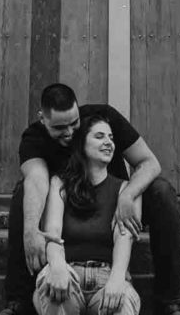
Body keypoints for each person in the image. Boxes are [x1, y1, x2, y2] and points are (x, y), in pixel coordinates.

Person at [0, 83, 180, 315]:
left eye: (74, 123)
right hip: (67, 208)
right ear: (42, 119)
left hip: (116, 205)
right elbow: (36, 179)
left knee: (162, 191)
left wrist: (127, 195)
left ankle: (170, 301)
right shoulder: (34, 138)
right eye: (59, 127)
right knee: (23, 192)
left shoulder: (102, 119)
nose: (70, 132)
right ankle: (18, 301)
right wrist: (31, 232)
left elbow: (150, 163)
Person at [34, 114, 141, 315]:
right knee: (52, 290)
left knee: (123, 302)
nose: (108, 142)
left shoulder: (126, 190)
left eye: (111, 138)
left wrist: (117, 279)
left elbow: (124, 239)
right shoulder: (59, 184)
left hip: (107, 276)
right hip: (67, 271)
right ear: (82, 144)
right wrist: (56, 265)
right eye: (99, 136)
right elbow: (52, 233)